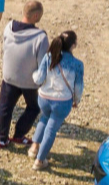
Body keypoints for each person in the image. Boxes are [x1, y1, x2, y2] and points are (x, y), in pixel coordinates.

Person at [28, 31, 83, 171]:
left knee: (43, 119)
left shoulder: (48, 57)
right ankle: (39, 161)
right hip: (62, 102)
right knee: (51, 130)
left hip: (44, 98)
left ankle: (34, 148)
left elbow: (38, 78)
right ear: (74, 45)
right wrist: (76, 100)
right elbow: (78, 87)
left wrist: (33, 75)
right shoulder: (77, 64)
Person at [0, 1, 47, 150]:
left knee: (5, 108)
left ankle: (2, 139)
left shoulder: (9, 27)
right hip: (29, 81)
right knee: (34, 107)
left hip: (9, 76)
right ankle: (19, 134)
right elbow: (42, 63)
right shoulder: (40, 37)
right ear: (36, 15)